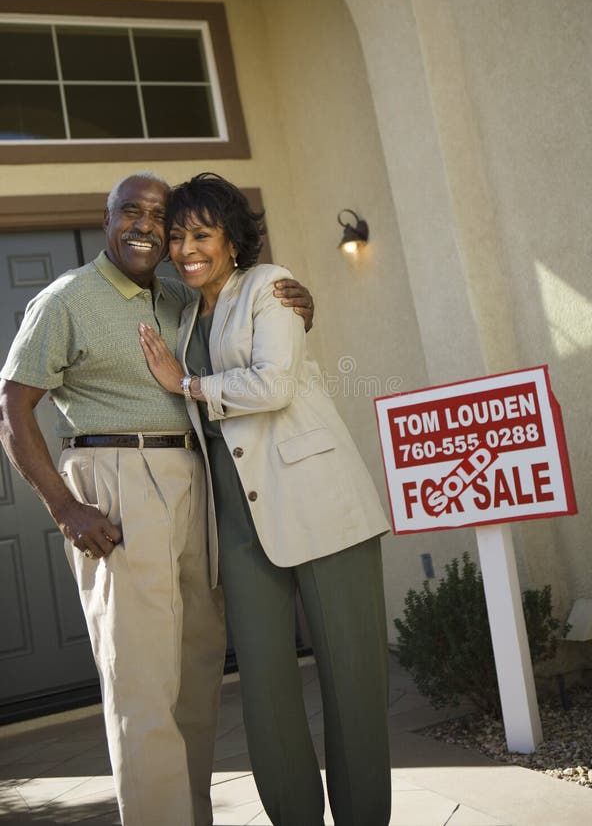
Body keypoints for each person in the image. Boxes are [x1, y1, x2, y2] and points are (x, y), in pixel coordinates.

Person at [0, 171, 314, 826]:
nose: (145, 224)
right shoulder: (66, 299)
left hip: (192, 480)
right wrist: (65, 508)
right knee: (142, 686)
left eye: (159, 215)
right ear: (107, 217)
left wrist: (299, 301)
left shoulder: (178, 296)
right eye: (131, 211)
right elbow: (14, 408)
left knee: (195, 678)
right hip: (115, 482)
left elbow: (250, 334)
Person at [138, 172, 392, 826]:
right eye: (176, 237)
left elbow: (274, 385)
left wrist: (187, 383)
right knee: (266, 691)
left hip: (322, 504)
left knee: (352, 682)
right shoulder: (183, 303)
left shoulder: (271, 286)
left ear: (232, 240)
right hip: (238, 520)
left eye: (202, 234)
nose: (186, 248)